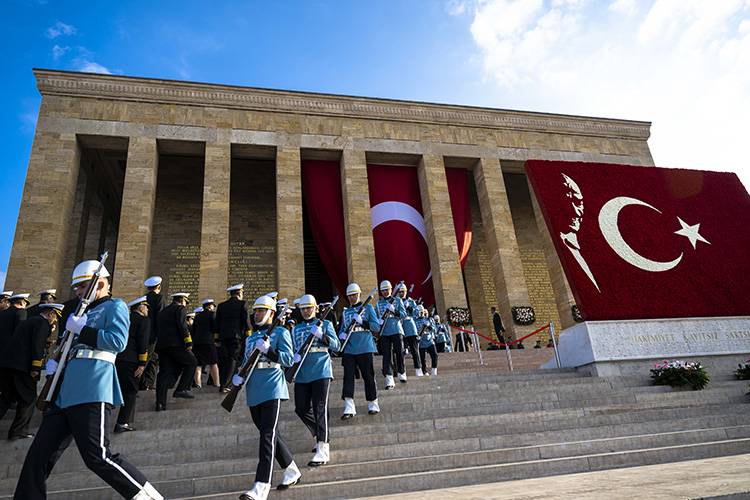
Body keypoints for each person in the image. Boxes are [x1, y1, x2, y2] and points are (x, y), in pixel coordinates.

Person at [14, 259, 162, 499]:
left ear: (100, 283)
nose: (77, 292)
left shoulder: (116, 306)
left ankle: (148, 497)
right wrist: (55, 362)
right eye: (77, 287)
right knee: (38, 456)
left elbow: (117, 342)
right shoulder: (81, 312)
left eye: (82, 286)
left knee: (98, 456)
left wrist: (84, 330)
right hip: (65, 393)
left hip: (93, 386)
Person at [234, 294, 299, 500]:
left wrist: (270, 351)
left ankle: (261, 485)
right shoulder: (250, 337)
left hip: (272, 386)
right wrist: (239, 376)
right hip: (254, 389)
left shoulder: (280, 332)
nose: (257, 314)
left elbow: (289, 359)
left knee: (267, 436)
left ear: (272, 313)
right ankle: (291, 469)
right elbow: (246, 360)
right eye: (256, 311)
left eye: (262, 310)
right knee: (268, 434)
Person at [0, 303, 62, 439]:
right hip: (23, 368)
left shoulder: (30, 320)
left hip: (8, 365)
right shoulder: (43, 324)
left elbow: (26, 342)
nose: (56, 320)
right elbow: (37, 346)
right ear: (50, 313)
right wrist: (36, 367)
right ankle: (18, 431)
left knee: (6, 398)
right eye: (56, 316)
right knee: (28, 399)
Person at [290, 294, 339, 467]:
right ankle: (320, 433)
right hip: (303, 373)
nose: (305, 311)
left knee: (320, 408)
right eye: (303, 309)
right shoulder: (295, 329)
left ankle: (322, 448)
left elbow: (336, 345)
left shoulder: (325, 324)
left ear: (315, 308)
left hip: (321, 371)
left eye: (309, 308)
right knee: (301, 408)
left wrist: (322, 336)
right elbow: (293, 349)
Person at [338, 283, 380, 420]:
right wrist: (341, 335)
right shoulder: (345, 312)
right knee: (348, 376)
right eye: (349, 295)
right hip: (349, 348)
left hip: (365, 346)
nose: (352, 298)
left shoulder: (367, 308)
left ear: (359, 294)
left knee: (368, 375)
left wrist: (363, 322)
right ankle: (349, 406)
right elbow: (342, 329)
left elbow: (376, 327)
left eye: (354, 295)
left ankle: (373, 403)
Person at [154, 292, 197, 410]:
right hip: (176, 345)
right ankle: (181, 388)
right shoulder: (180, 309)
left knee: (163, 373)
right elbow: (182, 325)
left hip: (162, 346)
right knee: (192, 362)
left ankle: (160, 403)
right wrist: (188, 341)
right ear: (182, 300)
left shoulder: (163, 312)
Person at [114, 296, 150, 433]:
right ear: (140, 307)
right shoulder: (144, 320)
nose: (147, 309)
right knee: (130, 391)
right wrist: (142, 363)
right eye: (146, 307)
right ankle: (122, 422)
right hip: (131, 360)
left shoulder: (125, 318)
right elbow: (143, 342)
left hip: (117, 358)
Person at [216, 284, 250, 392]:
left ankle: (224, 383)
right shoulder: (242, 304)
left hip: (223, 337)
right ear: (239, 293)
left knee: (225, 360)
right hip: (236, 337)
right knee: (233, 360)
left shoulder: (221, 305)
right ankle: (227, 384)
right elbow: (246, 320)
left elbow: (217, 323)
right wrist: (249, 335)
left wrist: (216, 338)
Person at [375, 280, 407, 389]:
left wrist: (394, 311)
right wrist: (378, 321)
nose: (384, 292)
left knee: (399, 352)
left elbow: (403, 314)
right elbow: (375, 317)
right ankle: (389, 379)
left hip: (396, 329)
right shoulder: (379, 303)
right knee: (386, 355)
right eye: (382, 290)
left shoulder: (397, 300)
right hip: (384, 332)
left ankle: (402, 372)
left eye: (386, 289)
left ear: (390, 289)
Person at [141, 276, 164, 391]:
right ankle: (137, 382)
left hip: (144, 331)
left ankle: (148, 383)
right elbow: (159, 317)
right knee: (147, 357)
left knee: (154, 358)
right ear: (158, 286)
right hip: (153, 333)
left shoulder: (143, 298)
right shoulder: (158, 298)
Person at [396, 283, 423, 377]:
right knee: (400, 350)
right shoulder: (396, 301)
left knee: (414, 349)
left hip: (410, 326)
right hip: (400, 327)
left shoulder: (411, 301)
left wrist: (409, 307)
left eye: (403, 291)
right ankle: (401, 371)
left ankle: (418, 369)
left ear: (406, 291)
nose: (402, 293)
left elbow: (417, 313)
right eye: (400, 292)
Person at [193, 298, 220, 390]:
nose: (213, 308)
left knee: (198, 364)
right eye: (213, 306)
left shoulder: (197, 317)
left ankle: (198, 384)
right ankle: (217, 383)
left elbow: (193, 330)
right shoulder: (212, 315)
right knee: (213, 362)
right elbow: (215, 328)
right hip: (208, 341)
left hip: (197, 342)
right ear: (209, 306)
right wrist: (217, 340)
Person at [416, 308, 439, 376]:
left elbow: (434, 329)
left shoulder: (429, 319)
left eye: (422, 311)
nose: (421, 313)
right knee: (422, 358)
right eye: (419, 311)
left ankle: (434, 370)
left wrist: (429, 326)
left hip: (429, 340)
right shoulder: (415, 320)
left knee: (435, 355)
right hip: (421, 342)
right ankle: (424, 371)